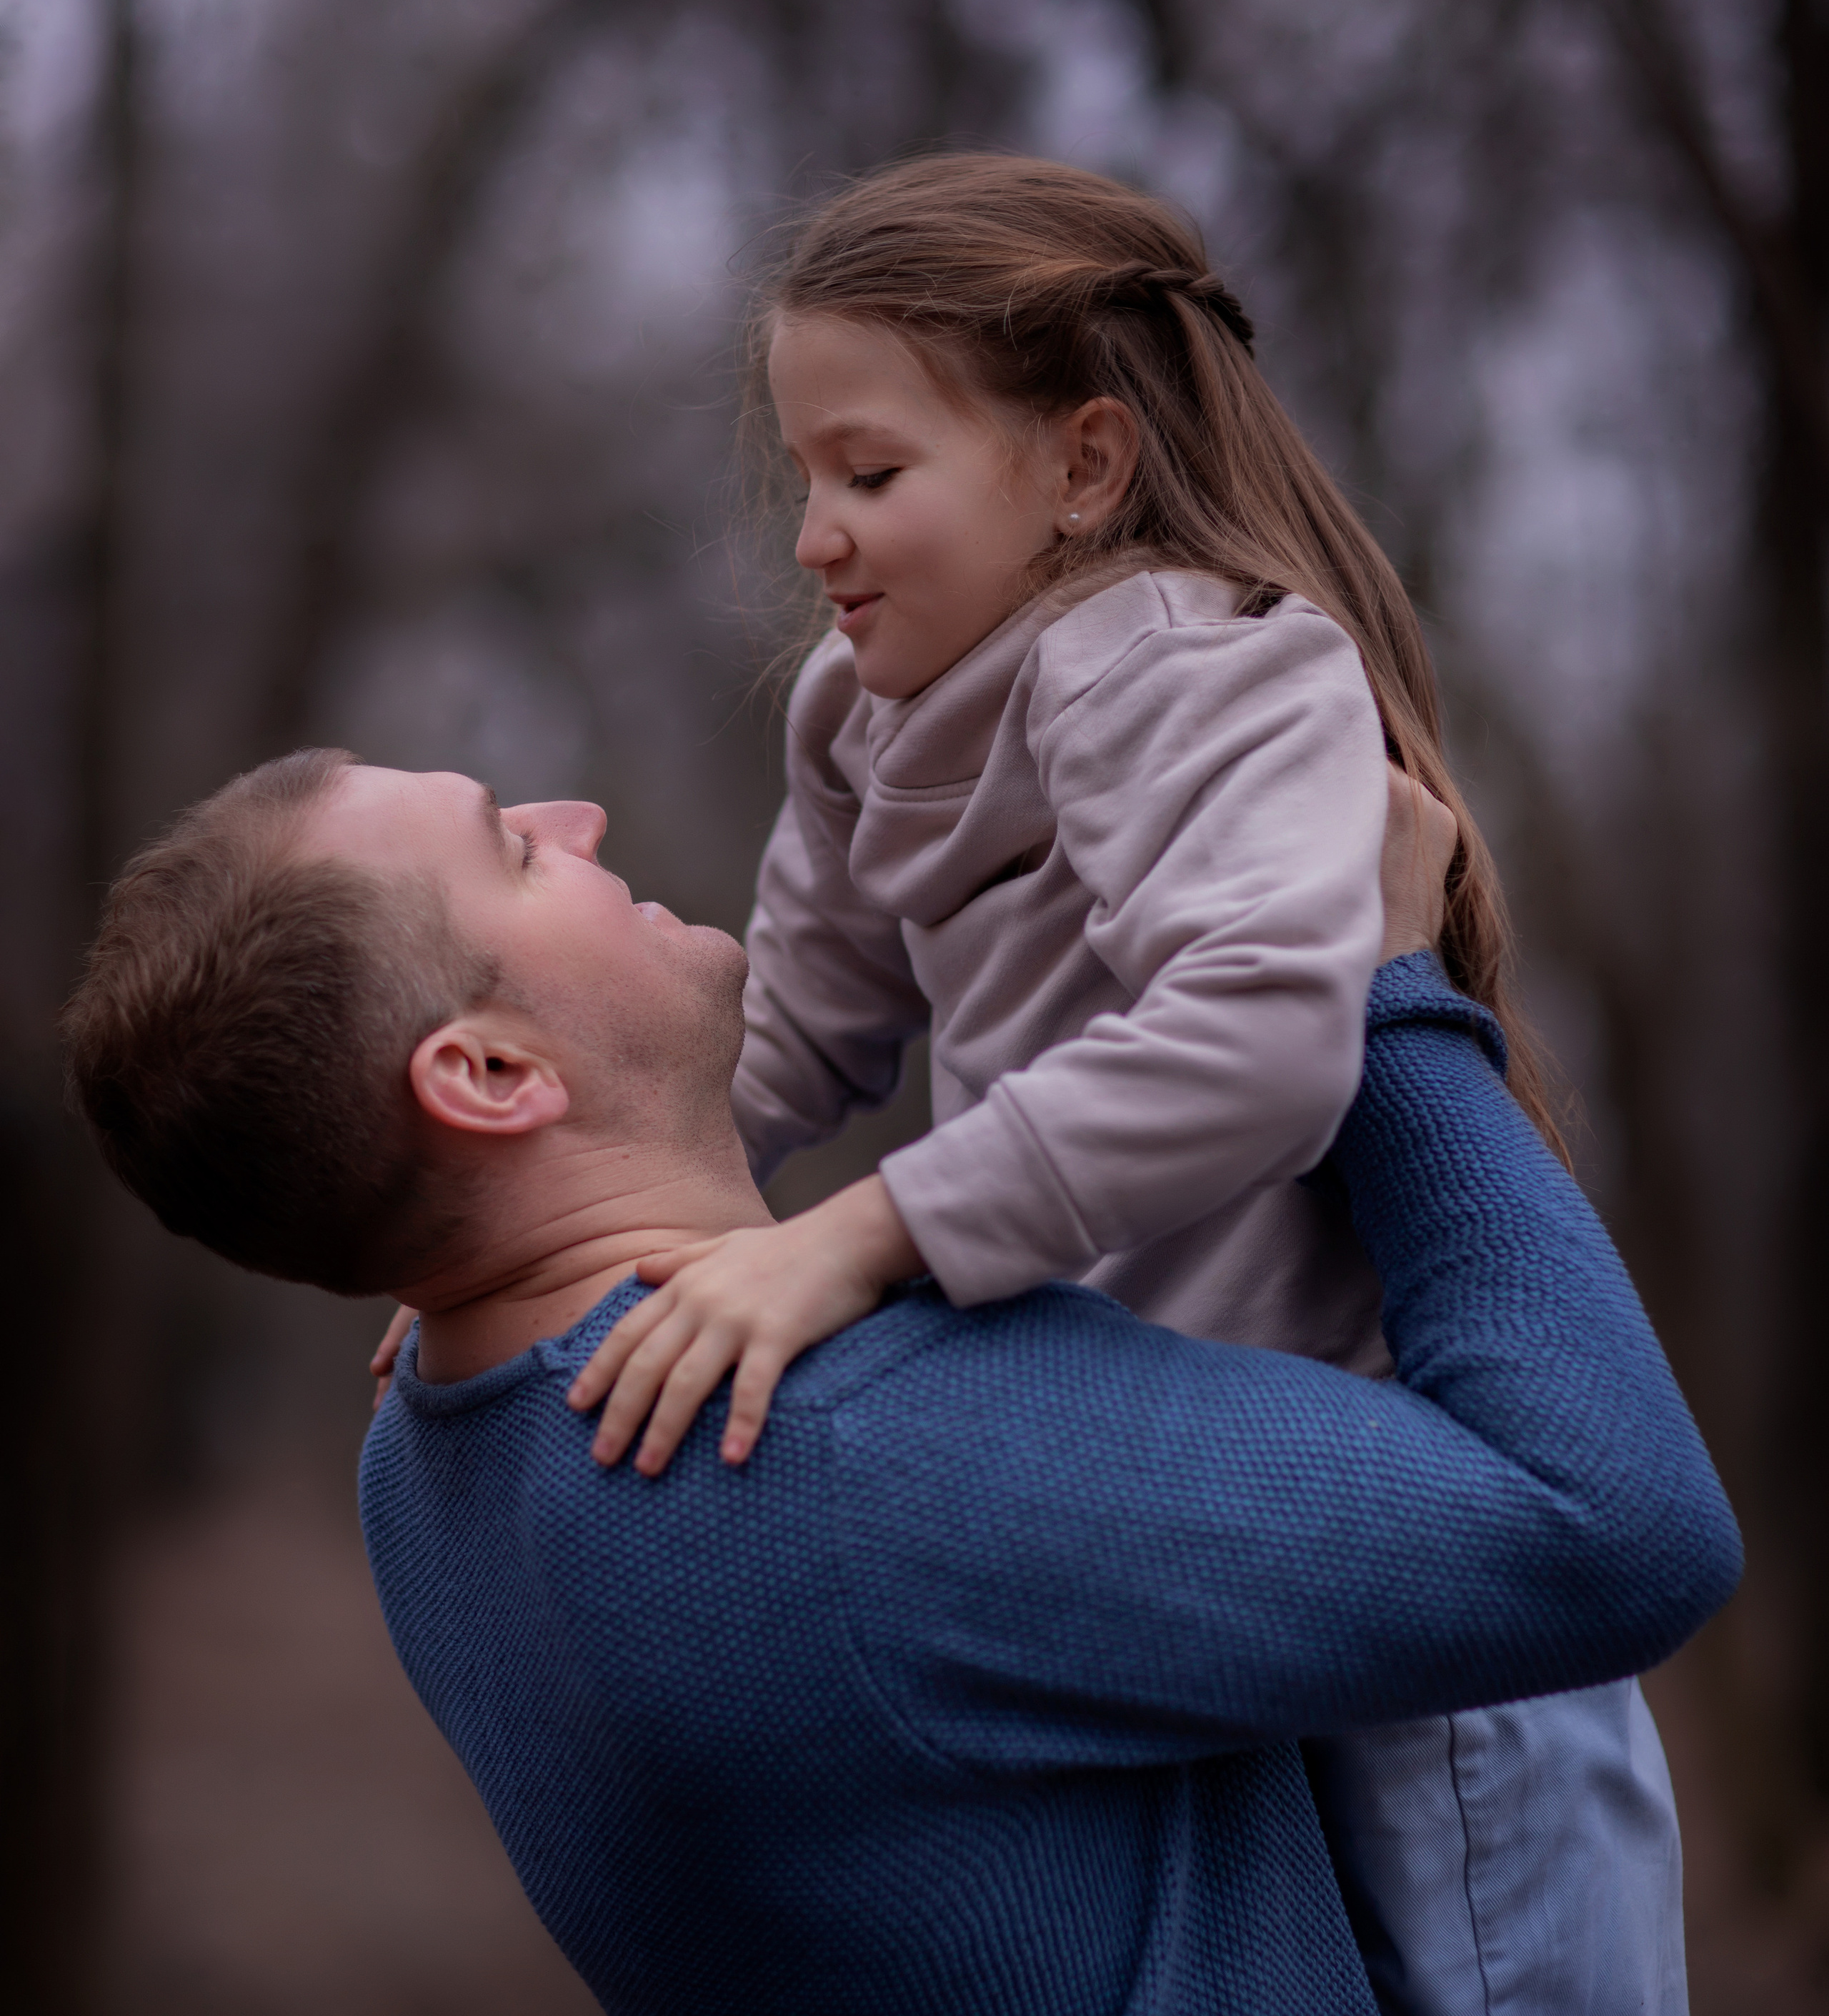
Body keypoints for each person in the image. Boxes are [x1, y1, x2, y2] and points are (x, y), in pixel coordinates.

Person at [544, 156, 1693, 2010]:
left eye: (875, 474)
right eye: (806, 476)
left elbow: (1263, 1040)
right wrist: (545, 1225)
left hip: (1412, 1548)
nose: (816, 537)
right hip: (1187, 1550)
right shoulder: (861, 717)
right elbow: (800, 1036)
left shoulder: (1189, 668)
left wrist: (870, 1237)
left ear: (1082, 470)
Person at [63, 748, 1738, 2016]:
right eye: (511, 850)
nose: (572, 816)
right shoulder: (838, 1453)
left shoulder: (423, 1454)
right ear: (491, 1073)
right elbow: (1617, 1527)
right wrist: (1378, 999)